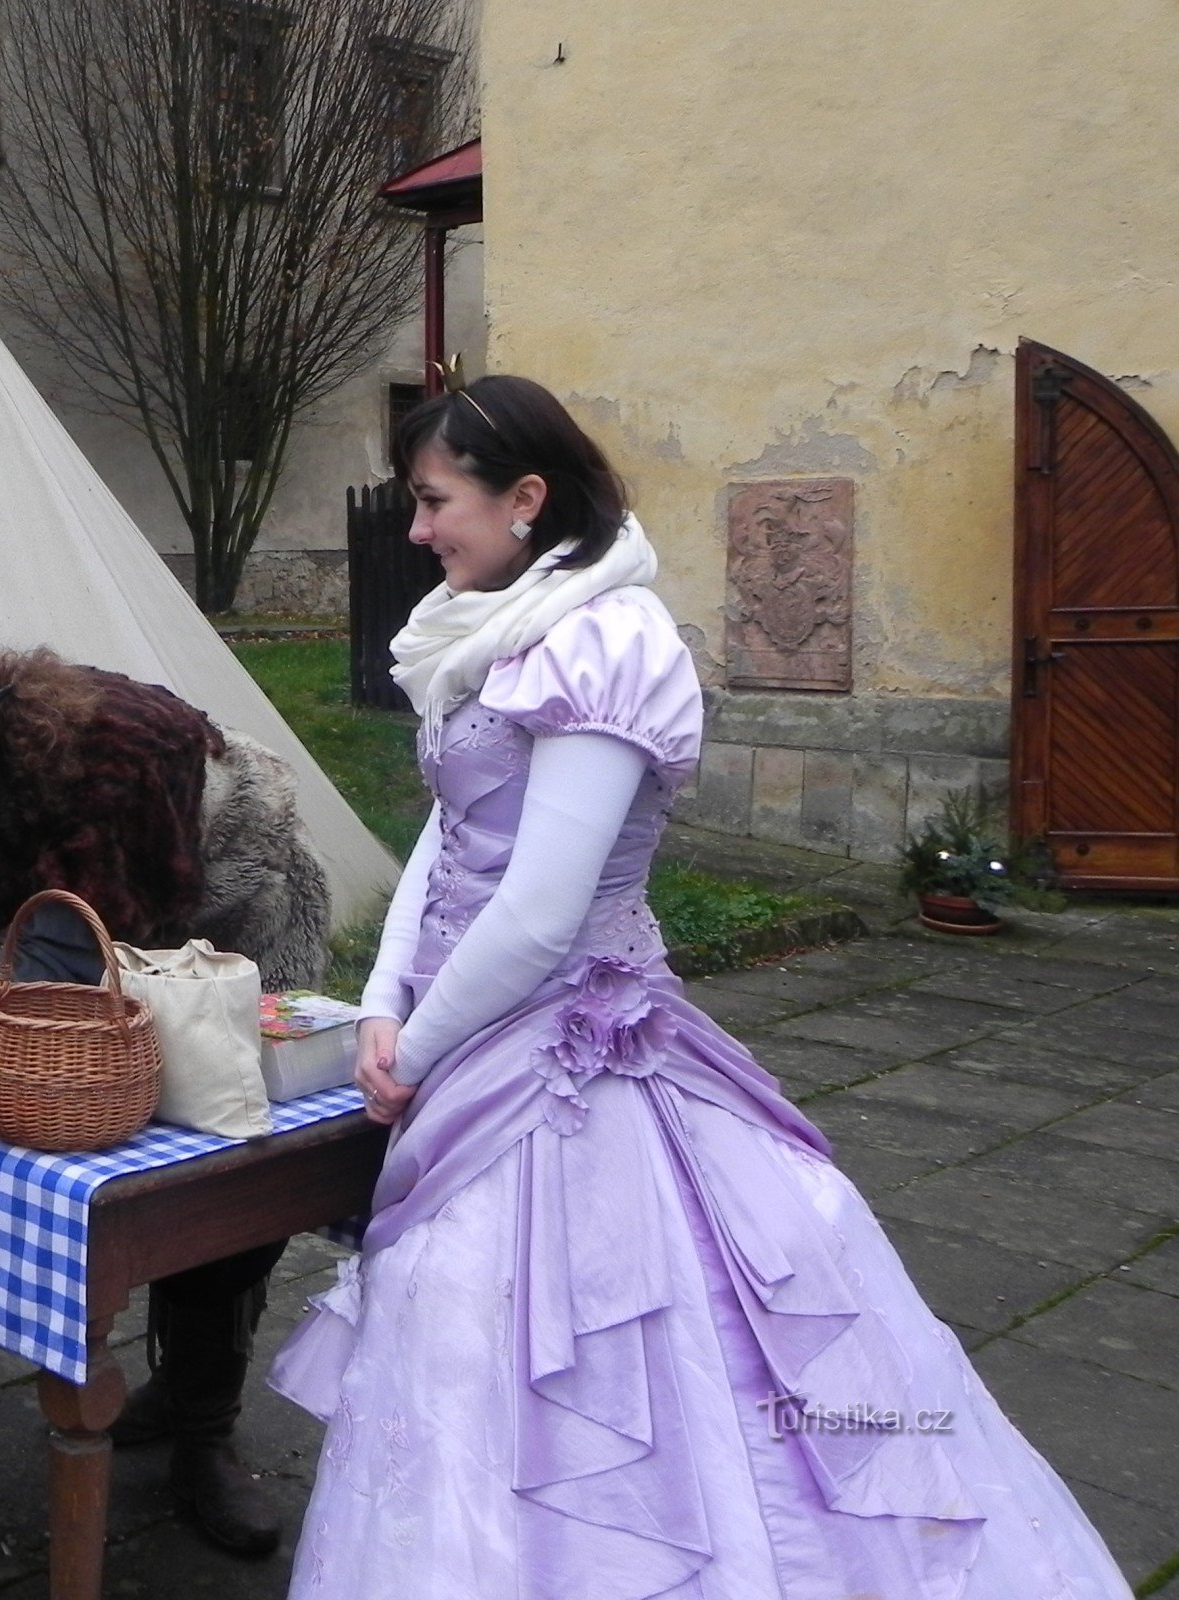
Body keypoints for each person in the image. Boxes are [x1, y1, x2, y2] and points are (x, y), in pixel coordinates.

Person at [273, 375, 1130, 1599]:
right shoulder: (497, 631)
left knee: (655, 1355)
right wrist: (381, 1003)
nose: (415, 530)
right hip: (469, 1034)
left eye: (432, 501)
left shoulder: (608, 641)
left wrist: (412, 1050)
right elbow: (448, 840)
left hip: (575, 1047)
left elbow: (540, 913)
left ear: (525, 498)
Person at [0, 643, 331, 1557]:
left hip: (218, 908)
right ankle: (172, 1405)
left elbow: (60, 966)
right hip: (71, 898)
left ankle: (203, 1430)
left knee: (218, 1174)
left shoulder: (106, 792)